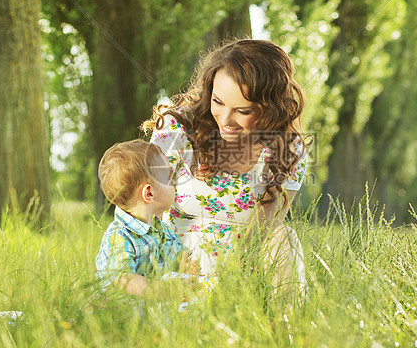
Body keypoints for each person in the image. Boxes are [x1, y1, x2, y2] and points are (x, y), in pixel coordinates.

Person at [144, 39, 309, 300]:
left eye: (243, 111)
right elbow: (142, 211)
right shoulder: (177, 130)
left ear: (270, 109)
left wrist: (230, 282)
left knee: (283, 236)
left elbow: (267, 228)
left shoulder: (288, 150)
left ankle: (285, 329)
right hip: (178, 268)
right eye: (218, 101)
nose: (226, 119)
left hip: (245, 270)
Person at [94, 139, 214, 298]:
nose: (175, 183)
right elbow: (122, 280)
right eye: (170, 179)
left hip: (158, 307)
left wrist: (186, 266)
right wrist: (166, 290)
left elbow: (179, 260)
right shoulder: (119, 237)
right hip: (126, 312)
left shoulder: (163, 231)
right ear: (149, 193)